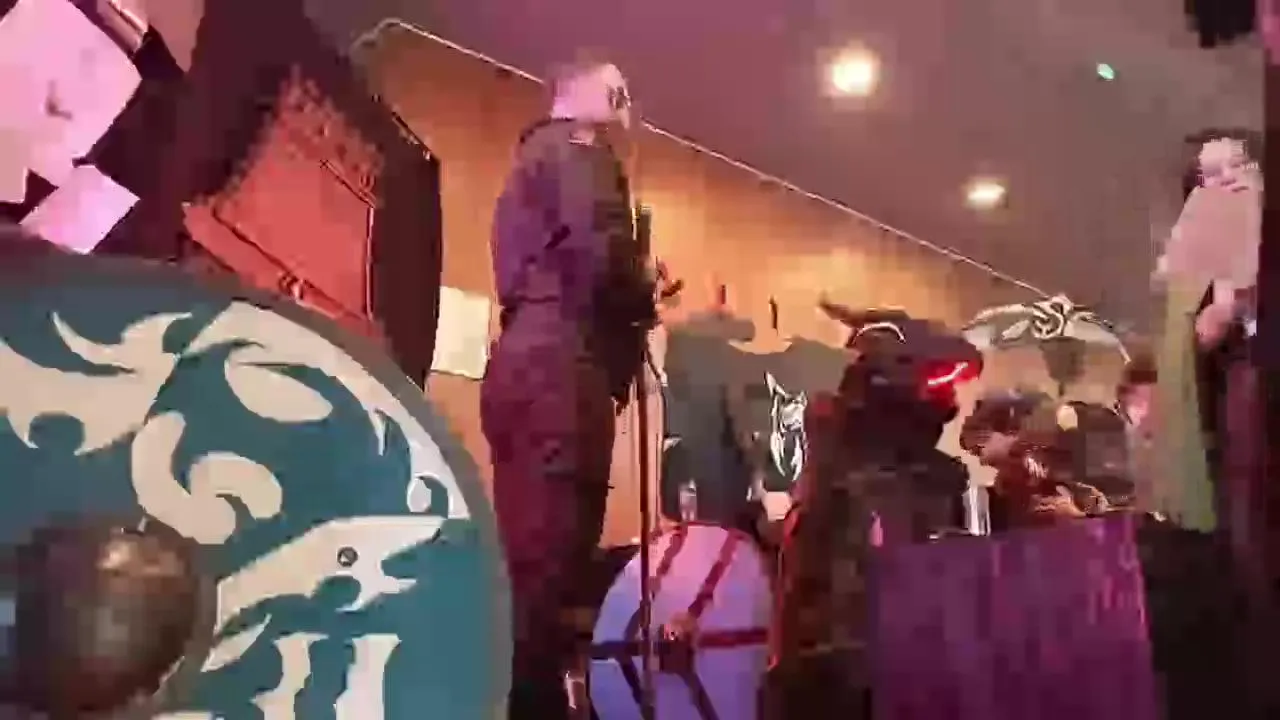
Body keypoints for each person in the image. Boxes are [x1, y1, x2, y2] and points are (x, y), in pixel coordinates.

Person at [481, 57, 658, 718]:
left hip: (525, 361)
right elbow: (602, 252)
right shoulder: (580, 150)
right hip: (562, 366)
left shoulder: (527, 168)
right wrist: (643, 286)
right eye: (613, 92)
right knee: (550, 575)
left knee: (525, 563)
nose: (621, 105)